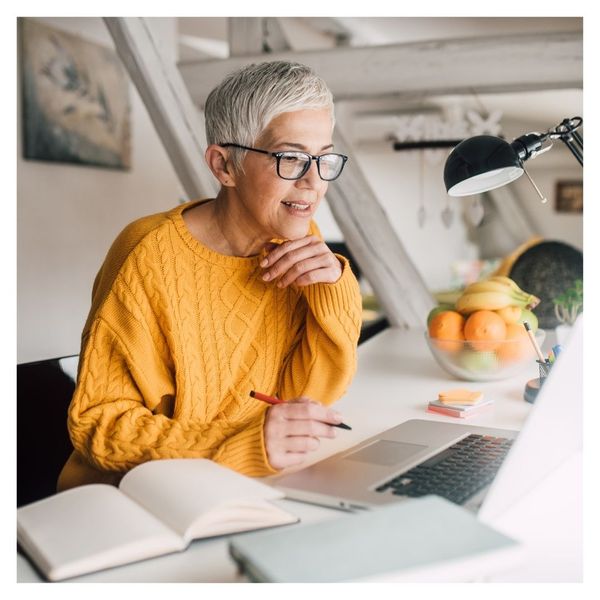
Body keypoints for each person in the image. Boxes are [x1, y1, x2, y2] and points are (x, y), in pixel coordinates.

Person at [57, 61, 362, 491]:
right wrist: (238, 444)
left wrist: (334, 289)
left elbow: (309, 397)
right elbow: (99, 425)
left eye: (324, 158)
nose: (314, 182)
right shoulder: (147, 253)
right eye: (290, 158)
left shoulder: (293, 241)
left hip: (236, 484)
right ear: (224, 166)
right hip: (129, 496)